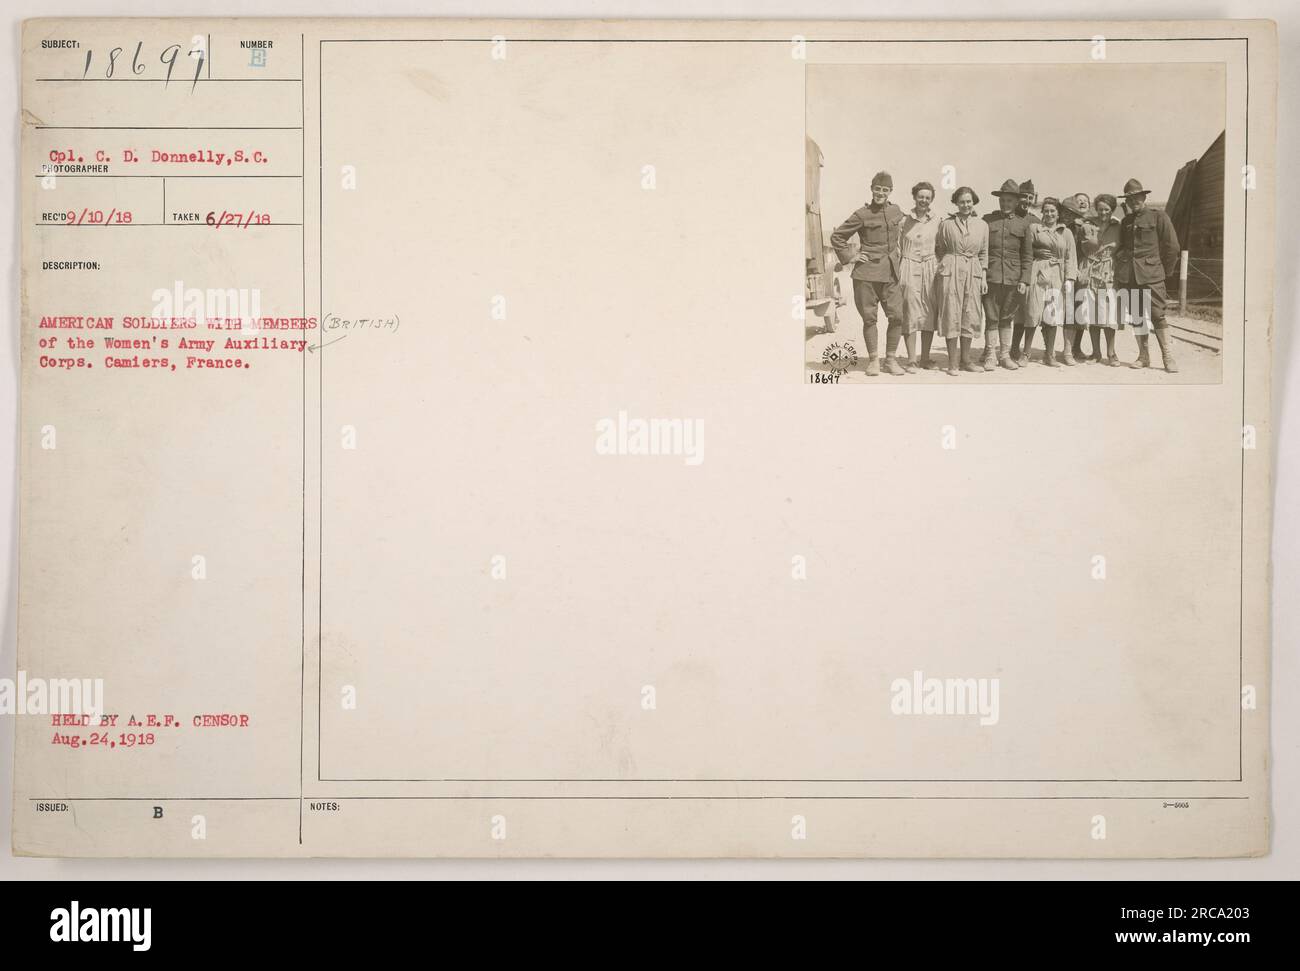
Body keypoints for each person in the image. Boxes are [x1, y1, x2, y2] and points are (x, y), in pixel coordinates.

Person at [830, 172, 906, 377]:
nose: (881, 193)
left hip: (891, 273)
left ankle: (890, 359)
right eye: (877, 189)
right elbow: (837, 236)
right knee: (870, 319)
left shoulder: (896, 211)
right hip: (866, 274)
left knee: (897, 316)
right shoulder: (862, 214)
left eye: (885, 190)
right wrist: (852, 256)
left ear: (890, 191)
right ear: (871, 189)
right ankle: (873, 360)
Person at [1113, 178, 1182, 372]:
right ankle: (1143, 356)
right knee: (1136, 316)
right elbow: (1123, 248)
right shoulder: (1125, 221)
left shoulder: (1159, 217)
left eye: (1136, 197)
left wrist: (1163, 271)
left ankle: (1168, 357)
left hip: (1152, 276)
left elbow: (1172, 247)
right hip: (1130, 277)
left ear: (1144, 197)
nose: (1133, 201)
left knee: (1157, 315)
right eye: (1129, 199)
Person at [935, 186, 989, 376]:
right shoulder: (946, 224)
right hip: (951, 269)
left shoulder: (982, 225)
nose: (966, 205)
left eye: (969, 201)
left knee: (971, 313)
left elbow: (984, 253)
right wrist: (947, 264)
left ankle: (966, 359)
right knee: (951, 311)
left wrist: (983, 277)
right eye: (962, 202)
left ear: (973, 202)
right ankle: (952, 362)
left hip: (973, 271)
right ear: (956, 203)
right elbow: (939, 248)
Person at [981, 178, 1033, 370]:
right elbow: (982, 250)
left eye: (1009, 201)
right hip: (991, 277)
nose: (1005, 204)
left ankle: (1004, 355)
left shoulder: (1023, 224)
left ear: (1017, 202)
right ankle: (989, 355)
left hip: (1013, 277)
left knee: (1007, 317)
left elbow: (1027, 256)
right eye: (1002, 200)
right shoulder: (987, 220)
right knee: (991, 317)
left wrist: (1025, 279)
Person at [1024, 197, 1078, 367]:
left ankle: (1050, 354)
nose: (1049, 214)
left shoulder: (1066, 232)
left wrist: (1069, 278)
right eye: (1046, 211)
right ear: (1042, 212)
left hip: (1058, 275)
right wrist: (1039, 253)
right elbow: (1027, 253)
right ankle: (1026, 352)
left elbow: (1071, 257)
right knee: (1033, 312)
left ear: (1058, 213)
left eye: (1052, 211)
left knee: (1052, 315)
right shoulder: (1035, 229)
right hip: (1038, 271)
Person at [1076, 193, 1122, 365]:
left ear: (1112, 210)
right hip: (1090, 270)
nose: (1103, 213)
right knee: (1092, 312)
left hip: (1108, 272)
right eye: (1100, 209)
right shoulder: (1086, 225)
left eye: (1107, 209)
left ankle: (1112, 353)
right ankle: (1096, 353)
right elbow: (1077, 246)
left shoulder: (1118, 226)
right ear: (1096, 209)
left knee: (1110, 314)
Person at [899, 182, 940, 371]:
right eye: (920, 196)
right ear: (914, 197)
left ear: (931, 200)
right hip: (908, 266)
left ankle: (925, 358)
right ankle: (911, 360)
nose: (923, 200)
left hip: (930, 268)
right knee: (909, 310)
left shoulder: (937, 220)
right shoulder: (903, 220)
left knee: (929, 311)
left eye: (927, 197)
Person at [1009, 180, 1042, 363]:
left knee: (1028, 311)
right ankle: (1011, 347)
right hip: (1010, 269)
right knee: (1009, 311)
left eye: (1030, 197)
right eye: (1023, 196)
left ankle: (1022, 349)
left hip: (1029, 271)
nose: (1026, 201)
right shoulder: (1009, 217)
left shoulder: (1035, 221)